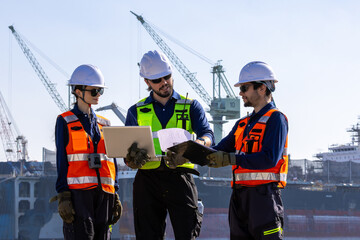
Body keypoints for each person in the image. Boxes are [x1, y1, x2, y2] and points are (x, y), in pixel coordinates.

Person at [125, 50, 214, 240]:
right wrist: (130, 159)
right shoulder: (136, 111)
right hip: (147, 180)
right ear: (147, 82)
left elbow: (208, 135)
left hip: (181, 178)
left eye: (167, 76)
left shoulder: (191, 106)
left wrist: (193, 147)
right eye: (157, 80)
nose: (164, 82)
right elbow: (127, 151)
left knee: (187, 235)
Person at [206, 61, 288, 240]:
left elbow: (269, 159)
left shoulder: (276, 119)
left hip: (264, 199)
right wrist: (187, 150)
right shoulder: (242, 124)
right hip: (239, 199)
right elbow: (217, 152)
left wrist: (232, 159)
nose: (240, 93)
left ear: (262, 88)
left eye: (244, 88)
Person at [51, 64, 122, 240]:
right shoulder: (65, 121)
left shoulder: (105, 123)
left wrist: (116, 191)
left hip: (105, 195)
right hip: (78, 195)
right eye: (94, 91)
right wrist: (63, 195)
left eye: (100, 92)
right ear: (77, 91)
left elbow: (112, 161)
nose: (98, 95)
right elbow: (62, 161)